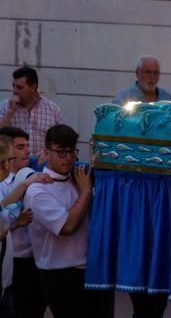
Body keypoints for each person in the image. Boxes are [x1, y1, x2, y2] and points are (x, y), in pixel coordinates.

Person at [24, 124, 114, 318]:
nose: (68, 158)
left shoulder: (78, 178)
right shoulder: (37, 190)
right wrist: (86, 192)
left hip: (91, 269)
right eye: (61, 152)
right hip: (60, 275)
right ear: (47, 152)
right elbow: (67, 227)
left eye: (72, 152)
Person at [0, 127, 48, 317]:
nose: (27, 151)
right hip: (13, 261)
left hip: (34, 260)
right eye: (20, 147)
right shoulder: (4, 184)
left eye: (27, 146)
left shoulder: (32, 174)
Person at [0, 67, 64, 158]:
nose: (14, 91)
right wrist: (10, 112)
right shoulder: (5, 107)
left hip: (41, 166)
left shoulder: (53, 110)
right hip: (14, 168)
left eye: (19, 87)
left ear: (33, 87)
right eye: (13, 86)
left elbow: (62, 141)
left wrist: (48, 155)